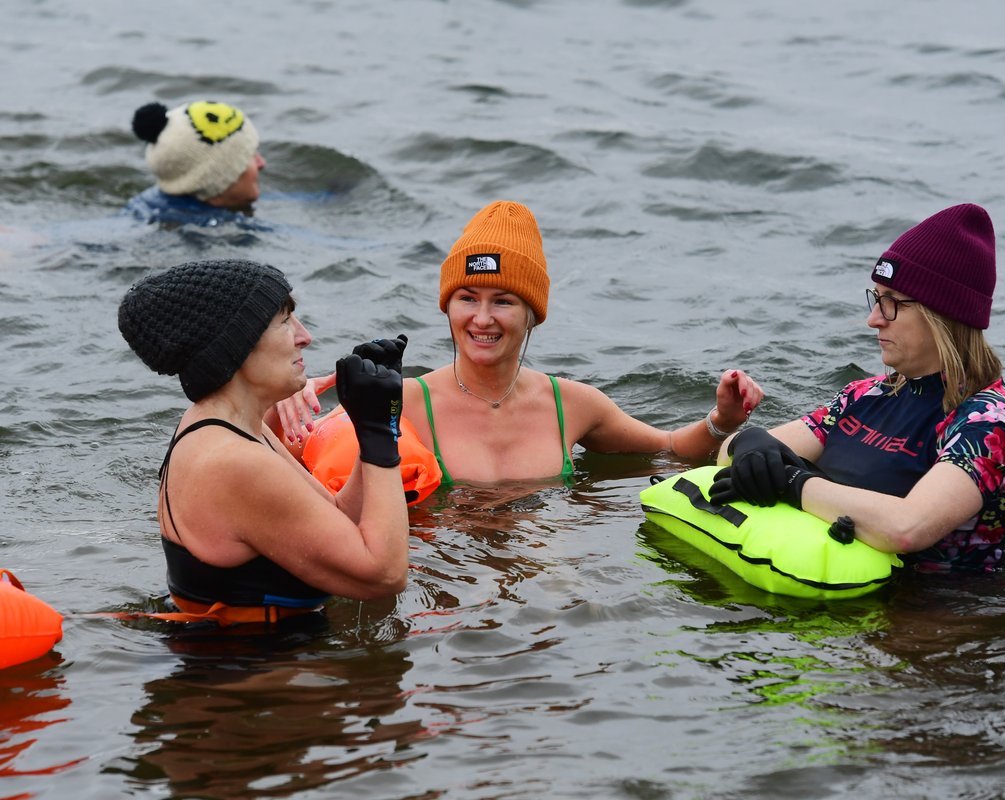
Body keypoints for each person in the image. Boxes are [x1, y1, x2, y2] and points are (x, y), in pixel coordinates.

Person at [274, 200, 763, 486]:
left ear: (533, 314)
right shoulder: (402, 402)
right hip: (449, 586)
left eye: (504, 301)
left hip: (542, 582)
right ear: (446, 306)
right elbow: (281, 461)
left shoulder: (572, 404)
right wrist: (277, 407)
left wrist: (722, 420)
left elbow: (673, 449)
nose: (482, 319)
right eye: (467, 297)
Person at [708, 203, 1005, 573]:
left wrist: (793, 482)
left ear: (943, 315)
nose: (873, 319)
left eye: (892, 303)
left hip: (939, 616)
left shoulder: (994, 421)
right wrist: (749, 441)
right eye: (876, 298)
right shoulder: (865, 395)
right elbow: (727, 457)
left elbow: (906, 527)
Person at [117, 258, 410, 624]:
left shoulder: (227, 427)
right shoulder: (234, 463)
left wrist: (375, 417)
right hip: (252, 671)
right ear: (236, 346)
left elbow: (341, 522)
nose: (305, 336)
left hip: (254, 660)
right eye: (285, 321)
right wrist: (380, 432)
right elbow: (385, 575)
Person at [125, 100, 267, 227]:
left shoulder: (143, 207)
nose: (262, 163)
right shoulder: (217, 231)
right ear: (216, 179)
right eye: (249, 155)